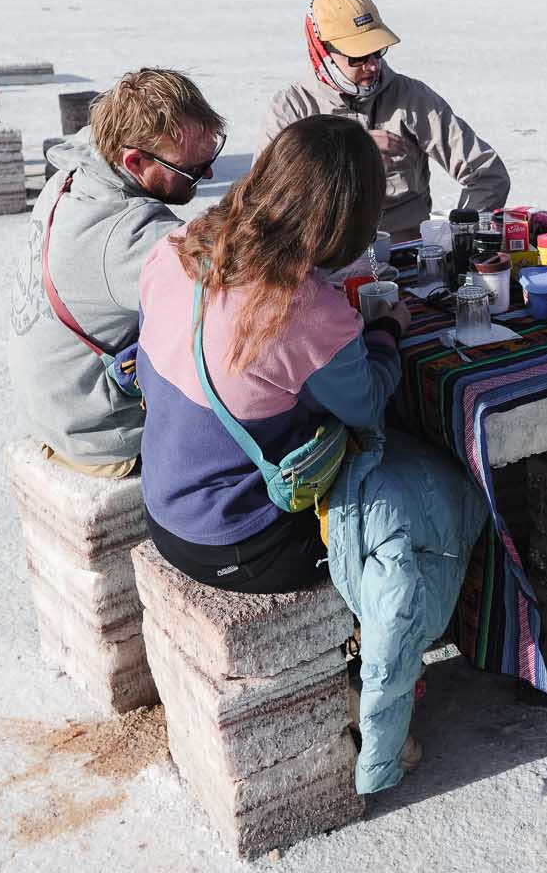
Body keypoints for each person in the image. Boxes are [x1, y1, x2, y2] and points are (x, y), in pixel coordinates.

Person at [135, 114, 410, 594]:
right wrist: (388, 330)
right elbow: (366, 406)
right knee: (421, 501)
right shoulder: (308, 311)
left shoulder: (177, 246)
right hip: (243, 543)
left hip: (165, 513)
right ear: (350, 219)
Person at [8, 68, 226, 477]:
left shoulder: (76, 173)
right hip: (101, 432)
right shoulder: (129, 235)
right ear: (135, 161)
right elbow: (242, 290)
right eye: (193, 169)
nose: (209, 175)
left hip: (57, 404)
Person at [259, 0, 510, 237]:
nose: (372, 66)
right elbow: (266, 199)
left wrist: (459, 236)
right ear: (323, 53)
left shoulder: (411, 98)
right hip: (323, 255)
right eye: (358, 57)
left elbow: (487, 174)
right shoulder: (290, 109)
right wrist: (349, 149)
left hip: (404, 250)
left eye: (377, 52)